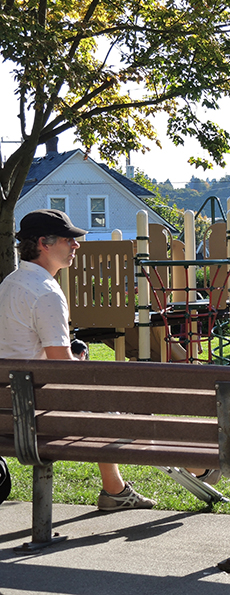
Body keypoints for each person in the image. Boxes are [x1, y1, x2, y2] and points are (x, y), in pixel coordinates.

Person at [0, 209, 156, 511]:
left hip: (7, 408)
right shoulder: (46, 292)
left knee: (105, 406)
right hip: (34, 415)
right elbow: (62, 370)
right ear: (45, 243)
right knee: (124, 411)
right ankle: (198, 468)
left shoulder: (9, 284)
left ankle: (116, 490)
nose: (77, 245)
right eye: (69, 239)